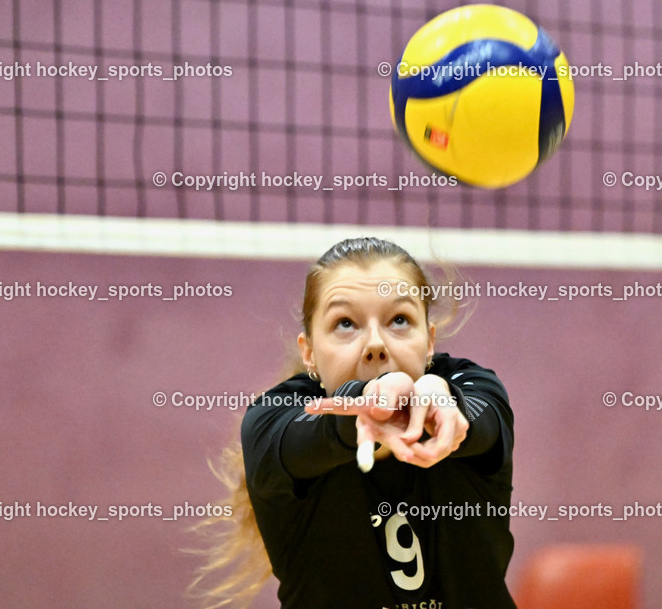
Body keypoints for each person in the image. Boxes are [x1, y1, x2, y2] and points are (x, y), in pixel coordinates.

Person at [194, 237, 515, 608]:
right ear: (309, 352)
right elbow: (307, 435)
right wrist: (360, 414)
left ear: (429, 342)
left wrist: (444, 404)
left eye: (399, 320)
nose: (375, 344)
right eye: (346, 323)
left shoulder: (477, 389)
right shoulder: (273, 417)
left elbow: (481, 418)